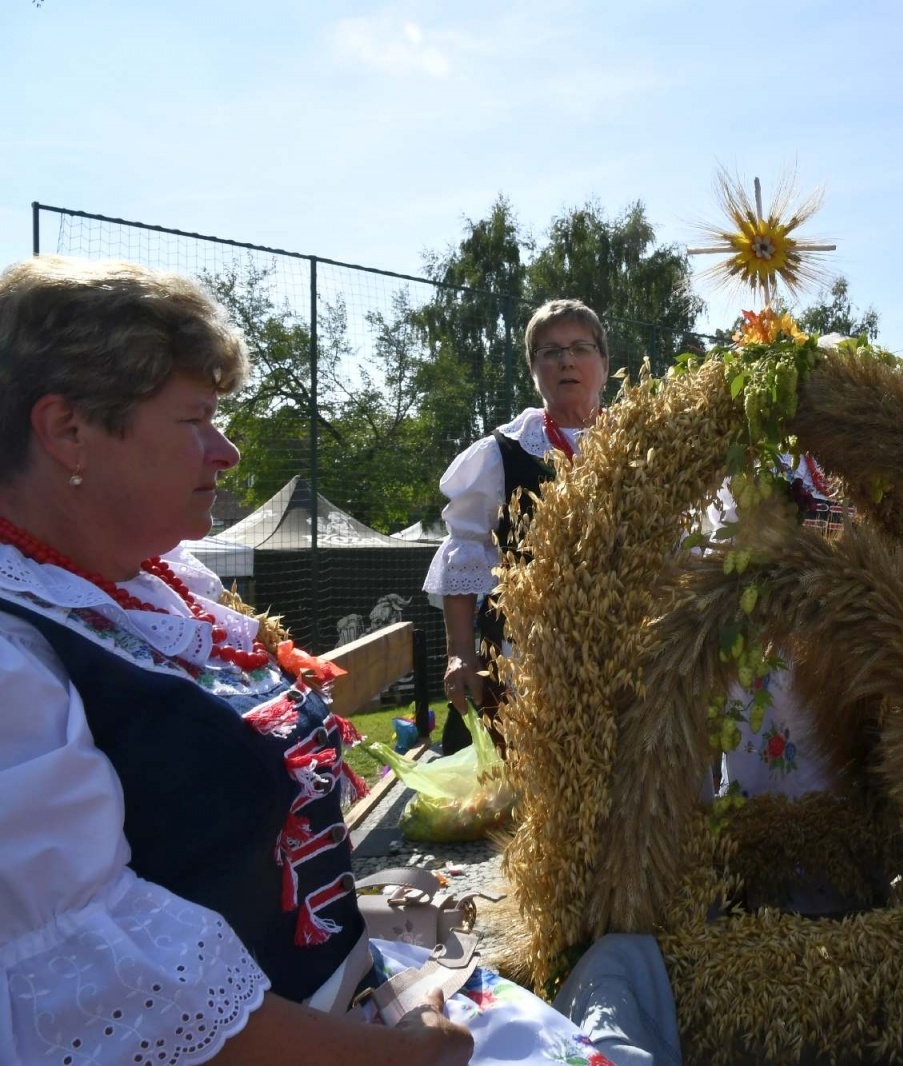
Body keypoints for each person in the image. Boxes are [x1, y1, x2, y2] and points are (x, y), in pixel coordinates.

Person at [0, 258, 678, 1066]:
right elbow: (105, 999)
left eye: (582, 348)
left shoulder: (162, 584)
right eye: (196, 420)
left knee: (623, 972)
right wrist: (403, 1052)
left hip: (361, 992)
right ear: (67, 430)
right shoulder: (18, 662)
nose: (228, 451)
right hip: (327, 1041)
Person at [423, 299, 608, 748]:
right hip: (525, 663)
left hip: (624, 658)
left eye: (580, 347)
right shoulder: (502, 453)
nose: (566, 360)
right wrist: (460, 653)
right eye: (550, 351)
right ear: (533, 369)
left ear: (604, 364)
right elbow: (464, 551)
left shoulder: (644, 443)